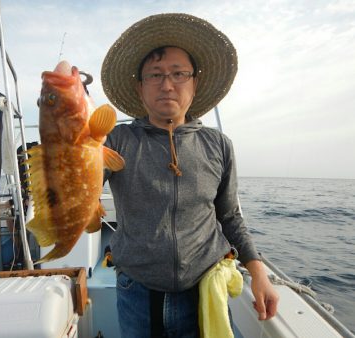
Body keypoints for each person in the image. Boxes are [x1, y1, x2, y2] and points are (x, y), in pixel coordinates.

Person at [101, 13, 279, 338]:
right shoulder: (116, 140)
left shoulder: (218, 145)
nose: (166, 84)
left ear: (194, 83)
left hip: (204, 289)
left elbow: (229, 217)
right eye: (154, 75)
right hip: (137, 291)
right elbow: (76, 183)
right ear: (140, 88)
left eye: (178, 73)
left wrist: (258, 271)